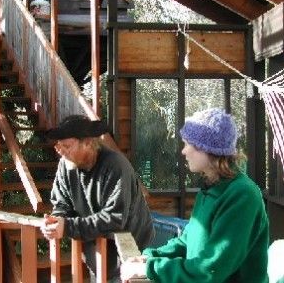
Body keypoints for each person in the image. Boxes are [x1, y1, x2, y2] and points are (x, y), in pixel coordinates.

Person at [121, 108, 269, 283]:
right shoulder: (210, 188)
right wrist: (151, 257)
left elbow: (211, 269)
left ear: (206, 149)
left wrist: (150, 268)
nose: (183, 151)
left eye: (187, 144)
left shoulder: (243, 195)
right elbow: (187, 240)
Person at [40, 114, 156, 282]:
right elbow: (62, 205)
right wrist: (56, 221)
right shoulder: (66, 165)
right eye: (59, 146)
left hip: (133, 246)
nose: (60, 151)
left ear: (88, 143)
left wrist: (67, 226)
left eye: (67, 145)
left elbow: (114, 218)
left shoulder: (116, 165)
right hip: (96, 248)